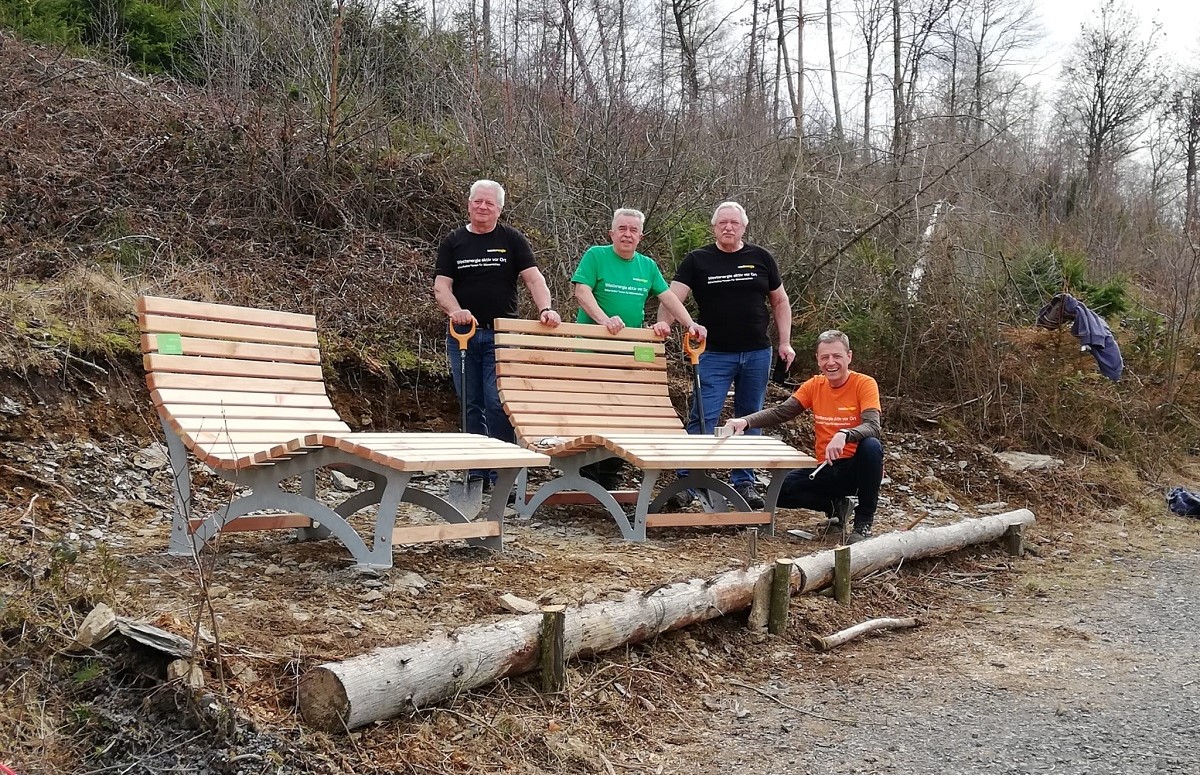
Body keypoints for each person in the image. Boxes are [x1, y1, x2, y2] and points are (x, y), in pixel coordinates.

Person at [657, 201, 795, 510]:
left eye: (734, 222)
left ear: (744, 226)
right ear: (714, 227)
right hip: (713, 353)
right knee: (702, 415)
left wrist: (785, 342)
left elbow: (780, 301)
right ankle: (688, 481)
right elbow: (671, 297)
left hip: (757, 352)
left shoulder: (761, 258)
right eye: (722, 223)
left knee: (751, 416)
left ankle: (744, 482)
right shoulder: (698, 260)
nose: (728, 227)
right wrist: (664, 325)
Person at [433, 179, 562, 488]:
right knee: (470, 402)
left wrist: (545, 309)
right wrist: (455, 311)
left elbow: (533, 279)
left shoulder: (512, 239)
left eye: (490, 203)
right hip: (463, 335)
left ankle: (501, 468)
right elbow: (442, 286)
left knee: (497, 401)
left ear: (500, 210)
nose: (483, 207)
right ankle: (476, 469)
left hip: (503, 338)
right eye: (478, 201)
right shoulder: (454, 241)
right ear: (469, 204)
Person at [571, 207, 707, 489]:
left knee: (625, 413)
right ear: (612, 232)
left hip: (627, 355)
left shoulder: (647, 266)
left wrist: (689, 323)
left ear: (640, 236)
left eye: (633, 230)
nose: (627, 234)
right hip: (592, 352)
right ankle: (584, 474)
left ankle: (610, 474)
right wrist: (604, 320)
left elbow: (668, 297)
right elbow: (581, 292)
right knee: (594, 411)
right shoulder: (596, 256)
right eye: (622, 229)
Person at [721, 329, 884, 543]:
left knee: (871, 446)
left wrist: (846, 434)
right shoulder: (815, 385)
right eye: (825, 357)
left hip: (857, 469)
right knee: (778, 492)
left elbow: (873, 426)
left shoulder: (864, 383)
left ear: (849, 357)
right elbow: (781, 411)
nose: (831, 362)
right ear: (818, 359)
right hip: (825, 467)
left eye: (837, 356)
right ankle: (836, 506)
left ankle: (863, 522)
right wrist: (746, 421)